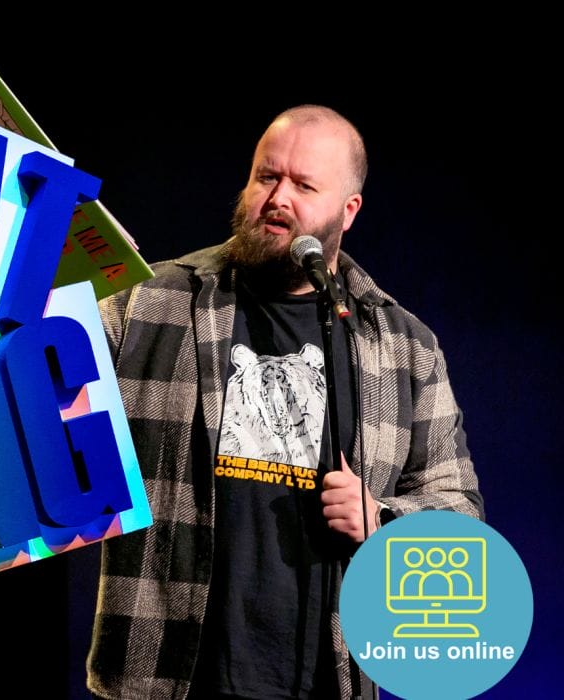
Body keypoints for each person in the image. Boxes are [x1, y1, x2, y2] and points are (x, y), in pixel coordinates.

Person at [87, 105, 483, 699]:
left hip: (328, 679)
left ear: (348, 211)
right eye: (266, 176)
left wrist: (382, 520)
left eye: (303, 185)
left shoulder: (405, 347)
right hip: (166, 674)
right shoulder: (146, 304)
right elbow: (35, 396)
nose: (278, 197)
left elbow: (461, 517)